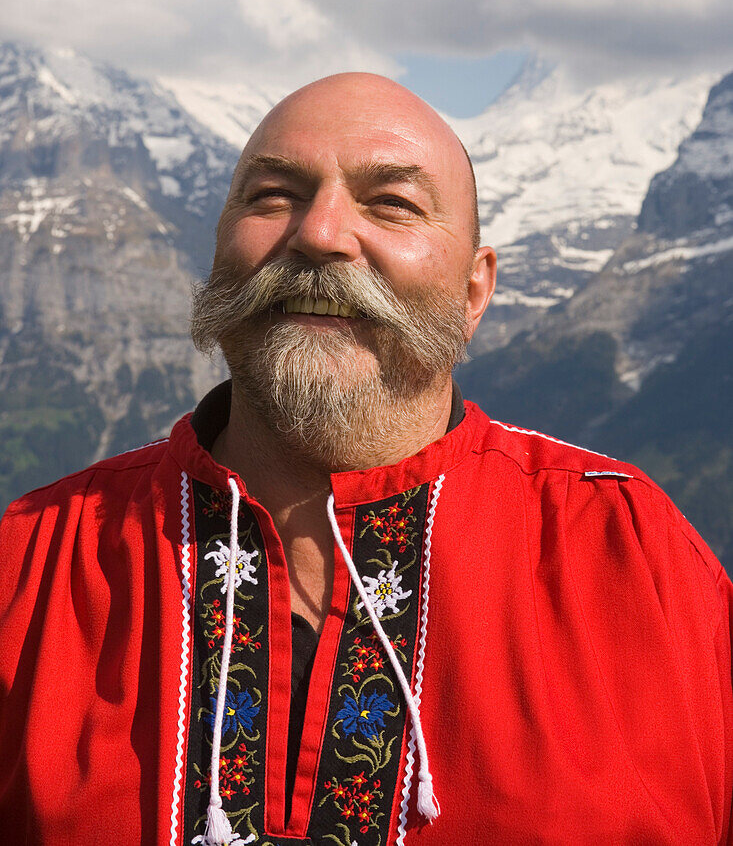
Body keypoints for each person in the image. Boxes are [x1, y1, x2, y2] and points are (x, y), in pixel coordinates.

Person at [0, 72, 731, 846]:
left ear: (474, 289)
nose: (319, 234)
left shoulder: (633, 558)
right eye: (272, 194)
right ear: (217, 250)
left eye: (391, 204)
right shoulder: (30, 561)